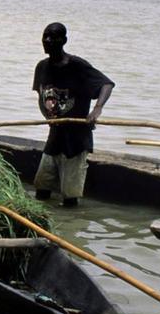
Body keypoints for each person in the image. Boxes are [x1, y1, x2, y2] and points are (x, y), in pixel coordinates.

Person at [32, 22, 114, 208]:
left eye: (53, 37)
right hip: (54, 137)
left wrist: (97, 109)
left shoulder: (77, 66)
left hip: (75, 140)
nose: (47, 41)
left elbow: (106, 85)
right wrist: (49, 118)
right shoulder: (42, 67)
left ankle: (71, 223)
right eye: (45, 36)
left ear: (64, 41)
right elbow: (40, 95)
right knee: (41, 189)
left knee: (69, 197)